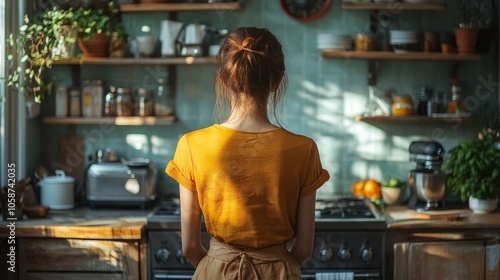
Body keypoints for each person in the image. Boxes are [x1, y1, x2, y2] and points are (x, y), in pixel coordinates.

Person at [166, 27, 330, 280]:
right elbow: (304, 249)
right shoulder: (304, 149)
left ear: (223, 78)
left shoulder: (191, 145)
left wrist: (217, 267)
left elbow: (189, 247)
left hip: (216, 271)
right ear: (277, 81)